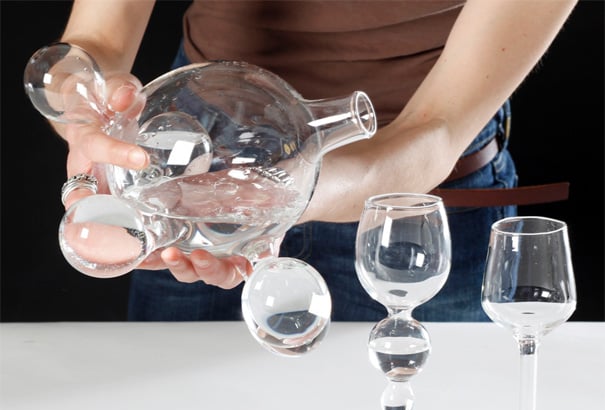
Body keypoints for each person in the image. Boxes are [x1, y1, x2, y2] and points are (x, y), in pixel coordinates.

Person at [54, 0, 578, 322]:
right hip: (186, 161)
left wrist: (285, 192)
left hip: (418, 199)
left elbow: (435, 130)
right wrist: (86, 107)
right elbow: (98, 38)